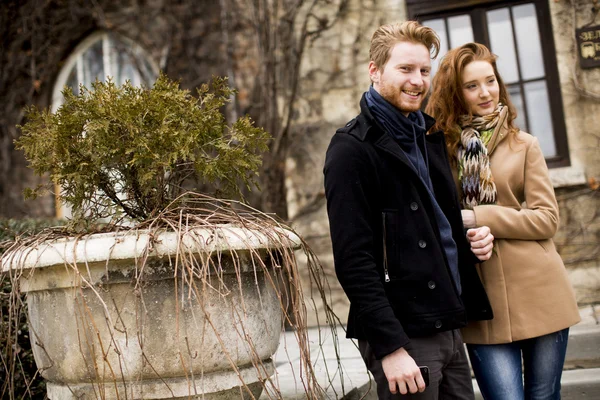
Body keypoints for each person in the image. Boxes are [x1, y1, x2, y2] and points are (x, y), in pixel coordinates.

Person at [323, 21, 495, 399]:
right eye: (405, 69)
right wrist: (391, 348)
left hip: (447, 322)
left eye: (423, 71)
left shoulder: (426, 135)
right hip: (405, 335)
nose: (417, 81)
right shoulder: (351, 149)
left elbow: (428, 228)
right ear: (375, 70)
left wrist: (469, 244)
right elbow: (354, 261)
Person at [426, 42, 581, 400]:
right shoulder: (439, 151)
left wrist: (479, 216)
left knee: (544, 395)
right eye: (472, 85)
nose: (485, 92)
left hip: (541, 289)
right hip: (482, 303)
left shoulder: (524, 144)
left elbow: (546, 219)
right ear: (455, 93)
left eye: (490, 81)